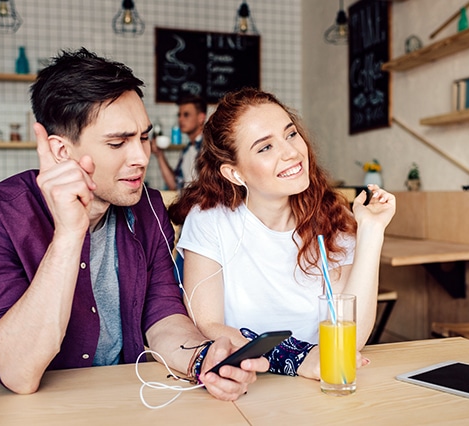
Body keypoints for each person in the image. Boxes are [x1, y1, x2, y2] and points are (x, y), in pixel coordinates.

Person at [0, 48, 267, 398]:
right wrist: (69, 234)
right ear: (60, 151)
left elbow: (163, 316)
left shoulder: (147, 206)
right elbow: (17, 372)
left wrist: (204, 358)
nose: (141, 157)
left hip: (126, 403)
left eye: (144, 137)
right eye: (118, 142)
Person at [168, 88, 396, 380]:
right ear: (234, 173)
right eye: (265, 148)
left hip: (319, 383)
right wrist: (296, 359)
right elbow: (208, 325)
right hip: (244, 384)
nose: (291, 152)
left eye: (290, 134)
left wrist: (372, 231)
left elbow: (350, 339)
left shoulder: (332, 217)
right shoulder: (211, 219)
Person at [152, 95, 207, 190]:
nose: (180, 119)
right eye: (179, 115)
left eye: (186, 115)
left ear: (201, 118)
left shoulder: (209, 148)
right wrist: (159, 155)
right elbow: (174, 185)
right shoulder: (186, 151)